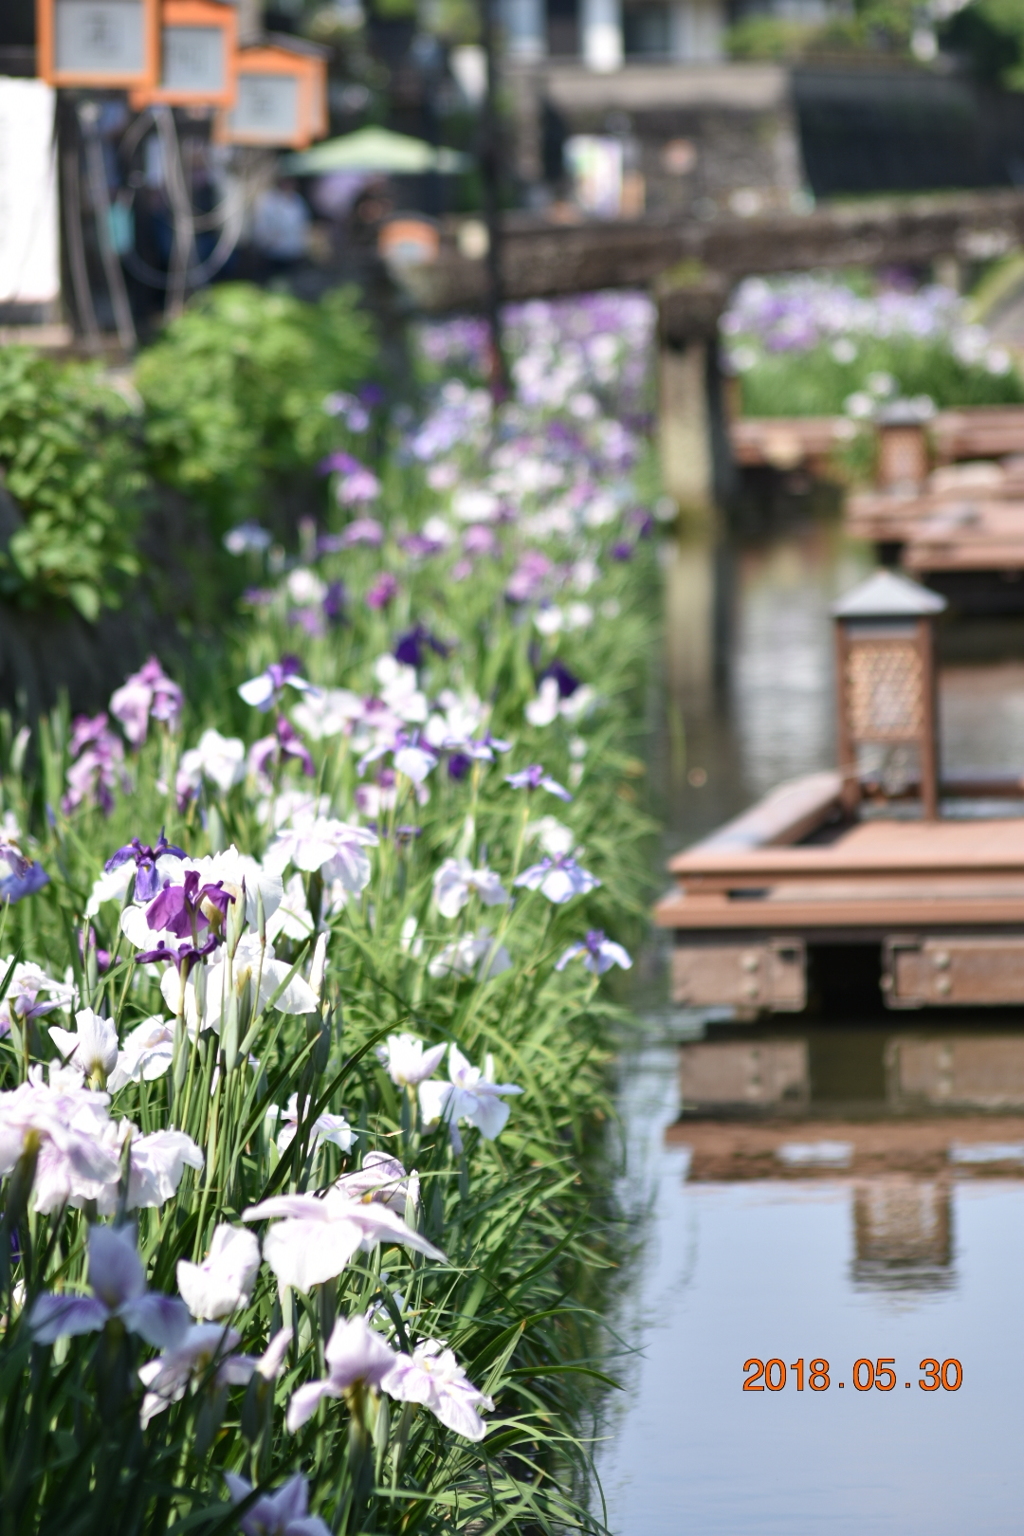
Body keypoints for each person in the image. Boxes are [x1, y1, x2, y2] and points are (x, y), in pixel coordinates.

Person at [250, 177, 311, 278]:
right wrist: (268, 240)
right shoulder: (269, 200)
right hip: (273, 251)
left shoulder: (298, 200)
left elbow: (303, 223)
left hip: (293, 250)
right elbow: (261, 225)